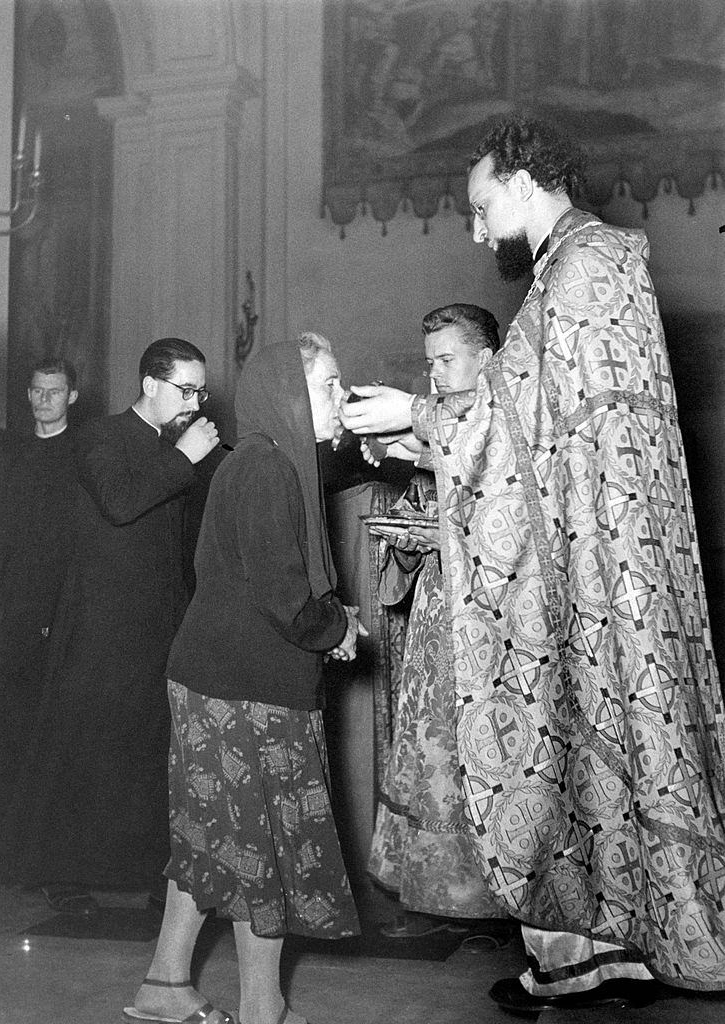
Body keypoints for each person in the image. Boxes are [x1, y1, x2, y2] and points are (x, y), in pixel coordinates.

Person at [341, 115, 725, 1014]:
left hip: (597, 561)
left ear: (520, 182)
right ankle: (607, 952)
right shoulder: (582, 267)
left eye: (480, 209)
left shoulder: (584, 270)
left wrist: (415, 416)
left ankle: (615, 948)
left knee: (586, 735)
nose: (478, 233)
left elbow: (516, 436)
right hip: (597, 548)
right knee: (596, 748)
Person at [123, 333, 366, 1024]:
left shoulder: (268, 459)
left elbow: (267, 582)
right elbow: (283, 596)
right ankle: (265, 1007)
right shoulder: (266, 468)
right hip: (241, 688)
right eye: (327, 386)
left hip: (222, 675)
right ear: (288, 390)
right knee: (261, 847)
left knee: (214, 836)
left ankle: (166, 986)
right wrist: (336, 628)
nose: (339, 400)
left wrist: (326, 619)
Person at [0, 338, 223, 915]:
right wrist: (185, 459)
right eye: (186, 389)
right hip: (99, 620)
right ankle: (59, 870)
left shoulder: (181, 443)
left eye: (201, 390)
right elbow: (120, 502)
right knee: (81, 745)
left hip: (160, 617)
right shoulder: (99, 435)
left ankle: (147, 870)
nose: (196, 401)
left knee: (148, 749)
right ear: (150, 384)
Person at [366, 304, 513, 950]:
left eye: (447, 361)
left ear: (488, 360)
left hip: (488, 629)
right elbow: (425, 509)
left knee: (480, 762)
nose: (437, 376)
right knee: (432, 759)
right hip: (435, 621)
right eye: (429, 364)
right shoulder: (443, 425)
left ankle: (492, 907)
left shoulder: (507, 419)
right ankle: (438, 899)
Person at [0, 357, 80, 833]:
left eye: (54, 391)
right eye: (37, 391)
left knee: (55, 714)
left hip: (67, 599)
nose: (44, 399)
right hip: (15, 602)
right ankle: (6, 817)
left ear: (72, 396)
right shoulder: (10, 454)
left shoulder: (85, 454)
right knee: (6, 709)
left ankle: (50, 823)